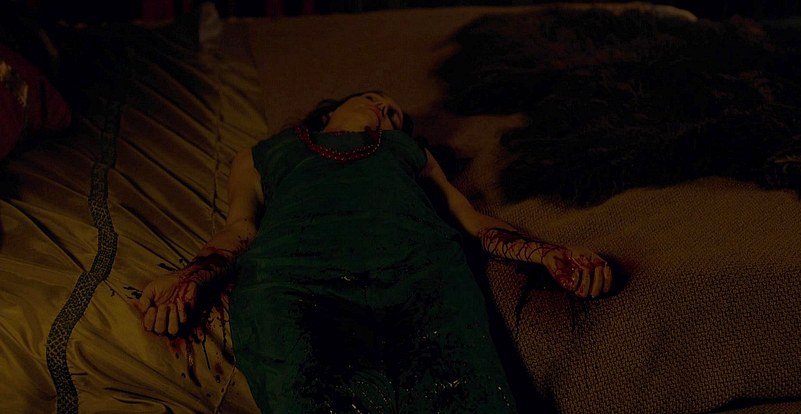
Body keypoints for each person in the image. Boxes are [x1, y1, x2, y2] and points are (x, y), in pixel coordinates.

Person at [138, 91, 613, 413]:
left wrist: (548, 254)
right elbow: (239, 229)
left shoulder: (408, 153)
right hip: (294, 285)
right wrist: (187, 278)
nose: (384, 109)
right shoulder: (264, 154)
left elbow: (472, 220)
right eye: (373, 98)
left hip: (421, 279)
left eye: (394, 115)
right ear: (327, 113)